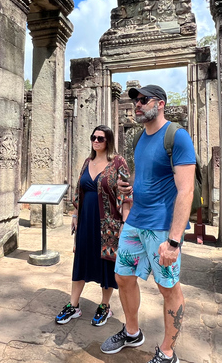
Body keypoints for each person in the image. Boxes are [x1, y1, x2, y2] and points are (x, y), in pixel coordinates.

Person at [101, 85, 196, 363]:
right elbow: (146, 178)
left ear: (161, 104)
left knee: (168, 287)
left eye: (143, 100)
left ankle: (167, 352)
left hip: (161, 227)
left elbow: (185, 190)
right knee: (123, 276)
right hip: (136, 222)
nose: (137, 105)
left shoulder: (176, 137)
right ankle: (132, 332)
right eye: (136, 101)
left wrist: (174, 241)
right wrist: (128, 188)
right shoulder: (140, 138)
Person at [56, 125, 131, 327]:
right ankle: (73, 305)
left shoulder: (118, 162)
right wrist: (74, 214)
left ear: (109, 141)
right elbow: (79, 191)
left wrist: (125, 223)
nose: (96, 141)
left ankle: (105, 306)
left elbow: (125, 195)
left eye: (101, 138)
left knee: (106, 263)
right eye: (94, 137)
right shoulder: (87, 161)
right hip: (86, 219)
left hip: (109, 223)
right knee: (81, 258)